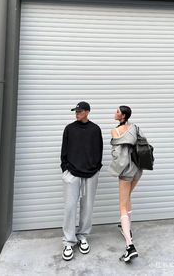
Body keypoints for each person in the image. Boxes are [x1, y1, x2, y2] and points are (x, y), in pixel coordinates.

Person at [60, 101, 103, 261]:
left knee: (87, 206)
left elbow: (99, 149)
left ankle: (83, 236)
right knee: (70, 207)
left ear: (87, 112)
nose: (76, 114)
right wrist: (65, 168)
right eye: (75, 111)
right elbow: (64, 149)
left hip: (91, 174)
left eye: (79, 111)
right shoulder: (69, 129)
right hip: (72, 173)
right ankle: (69, 241)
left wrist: (96, 168)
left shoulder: (95, 129)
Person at [108, 106, 143, 263]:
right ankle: (125, 228)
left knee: (122, 205)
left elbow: (117, 153)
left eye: (117, 111)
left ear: (122, 115)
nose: (115, 113)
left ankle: (130, 247)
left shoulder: (115, 131)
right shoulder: (135, 127)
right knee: (127, 198)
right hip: (138, 169)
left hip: (126, 171)